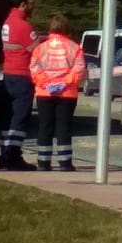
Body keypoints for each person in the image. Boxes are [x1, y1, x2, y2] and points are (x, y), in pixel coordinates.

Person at [29, 14, 87, 171]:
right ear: (66, 28)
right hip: (66, 94)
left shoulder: (40, 48)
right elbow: (79, 69)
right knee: (64, 127)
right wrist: (64, 83)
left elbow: (34, 69)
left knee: (44, 127)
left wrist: (47, 84)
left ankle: (43, 162)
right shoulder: (74, 48)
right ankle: (65, 162)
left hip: (44, 93)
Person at [0, 0, 40, 171]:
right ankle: (12, 155)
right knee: (20, 119)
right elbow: (38, 51)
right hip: (22, 76)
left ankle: (5, 153)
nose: (34, 7)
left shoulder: (8, 22)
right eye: (32, 3)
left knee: (10, 118)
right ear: (23, 4)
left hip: (9, 74)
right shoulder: (24, 26)